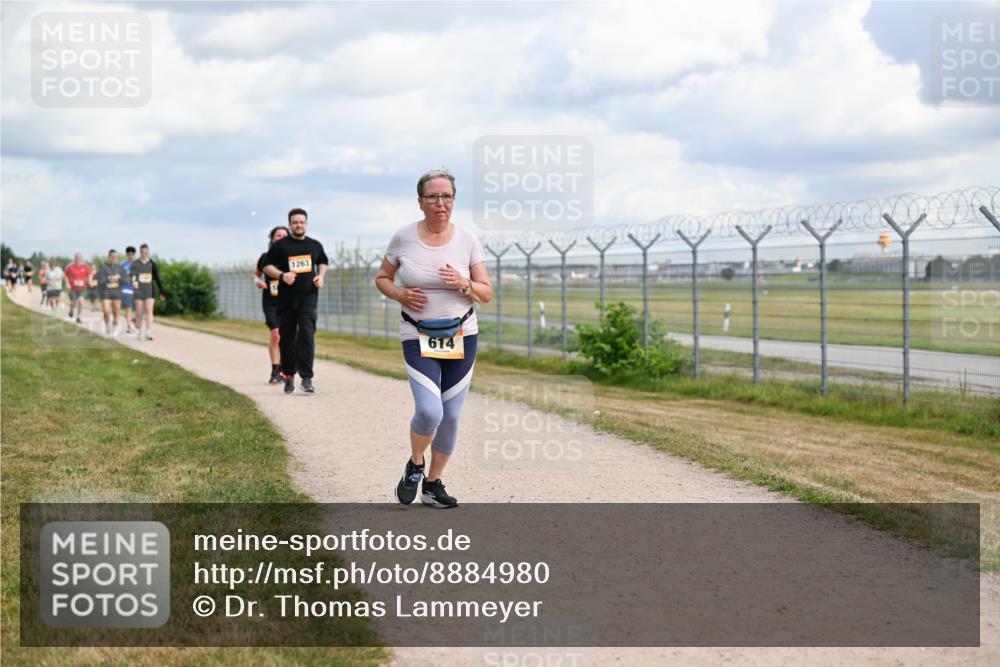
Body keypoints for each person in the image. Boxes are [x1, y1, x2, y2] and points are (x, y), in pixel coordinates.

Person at [375, 168, 492, 509]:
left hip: (461, 334)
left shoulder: (468, 240)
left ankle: (433, 483)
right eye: (433, 196)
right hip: (417, 333)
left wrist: (464, 283)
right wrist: (399, 295)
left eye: (447, 196)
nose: (440, 203)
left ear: (453, 201)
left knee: (451, 415)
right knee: (430, 411)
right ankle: (415, 463)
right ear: (420, 201)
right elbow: (382, 277)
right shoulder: (403, 238)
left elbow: (486, 293)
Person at [262, 208, 328, 394]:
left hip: (308, 299)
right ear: (290, 224)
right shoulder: (281, 246)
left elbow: (323, 261)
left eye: (302, 222)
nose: (299, 225)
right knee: (288, 339)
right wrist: (282, 275)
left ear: (306, 224)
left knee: (307, 336)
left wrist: (320, 276)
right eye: (295, 222)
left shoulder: (314, 245)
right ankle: (289, 375)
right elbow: (266, 266)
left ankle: (307, 378)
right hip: (286, 301)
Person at [254, 226, 289, 383]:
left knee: (285, 337)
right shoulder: (265, 257)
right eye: (278, 235)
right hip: (270, 302)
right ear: (272, 238)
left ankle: (284, 369)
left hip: (287, 302)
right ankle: (275, 370)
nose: (281, 237)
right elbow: (255, 274)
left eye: (284, 235)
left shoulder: (291, 257)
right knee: (275, 334)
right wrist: (258, 282)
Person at [130, 244, 167, 340]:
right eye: (142, 252)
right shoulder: (135, 264)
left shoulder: (152, 264)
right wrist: (133, 282)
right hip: (139, 290)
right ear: (140, 252)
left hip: (150, 290)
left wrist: (162, 292)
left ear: (148, 252)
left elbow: (157, 279)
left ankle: (148, 332)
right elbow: (132, 276)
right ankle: (140, 330)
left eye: (146, 252)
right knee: (139, 311)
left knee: (149, 310)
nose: (144, 254)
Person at [95, 249, 128, 337]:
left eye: (115, 257)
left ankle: (114, 330)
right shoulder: (103, 267)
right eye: (112, 257)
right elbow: (99, 279)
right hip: (106, 292)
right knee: (106, 310)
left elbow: (126, 281)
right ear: (108, 257)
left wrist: (119, 278)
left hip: (117, 293)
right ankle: (107, 325)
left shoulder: (120, 268)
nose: (113, 259)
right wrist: (108, 278)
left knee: (116, 311)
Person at [121, 246, 137, 333]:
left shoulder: (139, 265)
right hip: (126, 289)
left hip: (138, 290)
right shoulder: (123, 265)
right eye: (129, 254)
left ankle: (134, 319)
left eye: (132, 254)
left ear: (135, 254)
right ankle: (129, 326)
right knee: (128, 308)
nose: (130, 255)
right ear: (126, 255)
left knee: (139, 309)